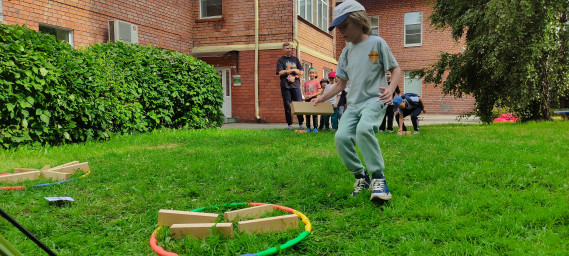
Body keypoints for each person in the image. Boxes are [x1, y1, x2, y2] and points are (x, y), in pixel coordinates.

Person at [312, 0, 401, 202]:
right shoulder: (346, 52)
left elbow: (395, 69)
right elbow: (341, 83)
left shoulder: (377, 43)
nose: (341, 32)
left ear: (359, 21)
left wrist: (390, 88)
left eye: (344, 26)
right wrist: (323, 97)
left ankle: (379, 179)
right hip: (353, 104)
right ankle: (361, 176)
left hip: (374, 99)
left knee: (363, 130)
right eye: (338, 28)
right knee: (341, 137)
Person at [276, 42, 305, 130]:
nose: (289, 50)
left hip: (295, 86)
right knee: (287, 105)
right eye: (287, 48)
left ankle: (301, 124)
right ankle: (290, 125)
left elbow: (302, 71)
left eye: (290, 48)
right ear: (283, 50)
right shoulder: (280, 60)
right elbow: (280, 73)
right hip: (285, 86)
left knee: (299, 105)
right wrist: (293, 70)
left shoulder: (295, 59)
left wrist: (295, 77)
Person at [302, 67, 322, 132]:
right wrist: (305, 96)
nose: (312, 74)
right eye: (310, 73)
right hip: (307, 99)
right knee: (307, 114)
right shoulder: (306, 82)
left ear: (315, 74)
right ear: (308, 74)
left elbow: (319, 92)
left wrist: (311, 95)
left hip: (314, 99)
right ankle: (308, 127)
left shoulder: (317, 83)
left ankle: (315, 127)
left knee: (314, 114)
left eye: (313, 73)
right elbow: (303, 90)